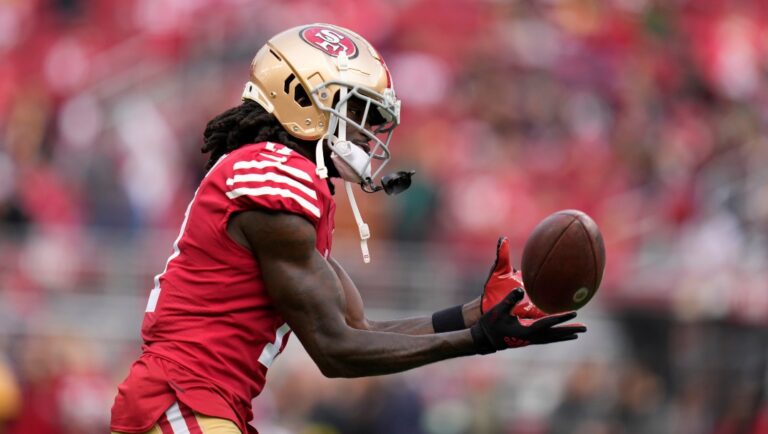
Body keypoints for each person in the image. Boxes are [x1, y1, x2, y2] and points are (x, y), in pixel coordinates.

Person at [110, 23, 587, 434]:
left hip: (202, 403)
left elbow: (357, 327)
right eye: (355, 110)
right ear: (300, 97)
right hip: (182, 400)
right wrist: (480, 339)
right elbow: (336, 351)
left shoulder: (291, 183)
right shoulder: (275, 178)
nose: (365, 131)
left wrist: (473, 313)